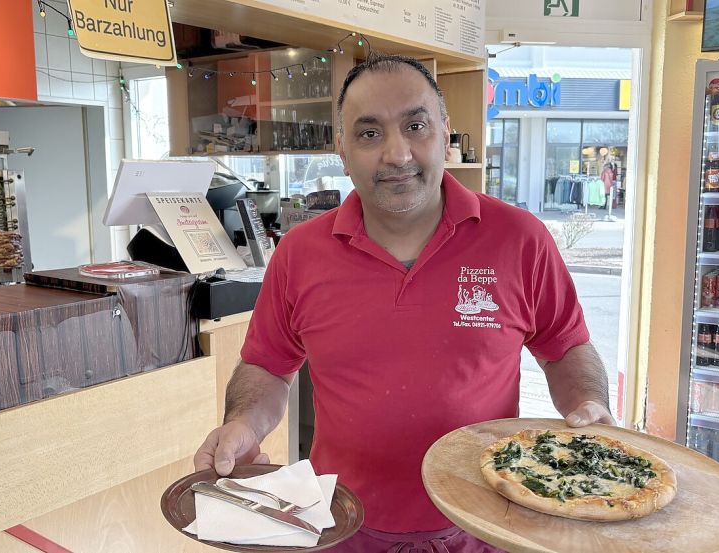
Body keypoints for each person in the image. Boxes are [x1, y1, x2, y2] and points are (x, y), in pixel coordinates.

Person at [194, 54, 614, 552]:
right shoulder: (300, 254)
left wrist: (589, 406)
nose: (397, 153)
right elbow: (266, 366)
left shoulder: (520, 239)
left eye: (416, 126)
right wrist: (242, 423)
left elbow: (565, 348)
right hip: (343, 526)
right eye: (369, 134)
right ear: (343, 152)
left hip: (487, 526)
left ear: (445, 134)